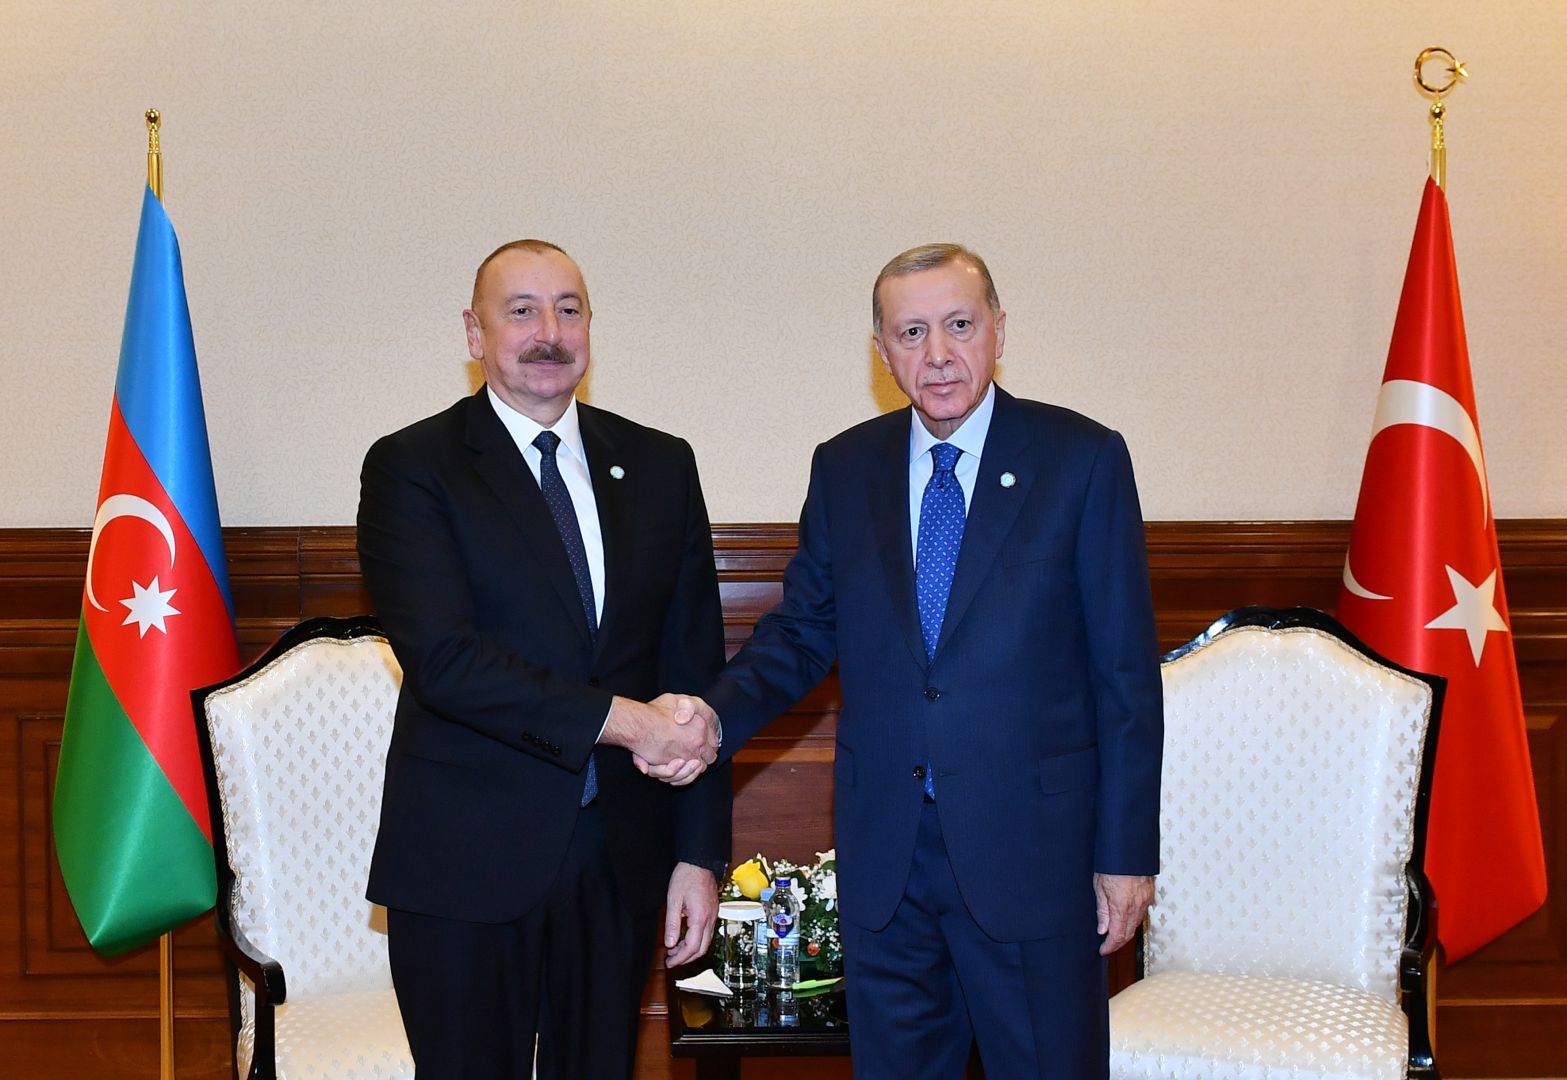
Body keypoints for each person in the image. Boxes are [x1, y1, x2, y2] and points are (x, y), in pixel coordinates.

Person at [662, 244, 1163, 1077]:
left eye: (959, 326)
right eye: (911, 332)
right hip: (885, 859)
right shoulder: (845, 466)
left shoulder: (1080, 460)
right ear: (881, 350)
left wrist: (1125, 852)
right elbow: (802, 631)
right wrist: (714, 716)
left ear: (998, 331)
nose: (937, 355)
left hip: (1033, 856)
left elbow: (1124, 676)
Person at [357, 239, 731, 1079]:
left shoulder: (662, 465)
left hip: (621, 857)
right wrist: (626, 721)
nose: (547, 332)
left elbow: (693, 667)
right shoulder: (413, 468)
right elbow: (445, 659)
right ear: (473, 331)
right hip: (465, 859)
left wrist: (697, 856)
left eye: (568, 308)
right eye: (520, 311)